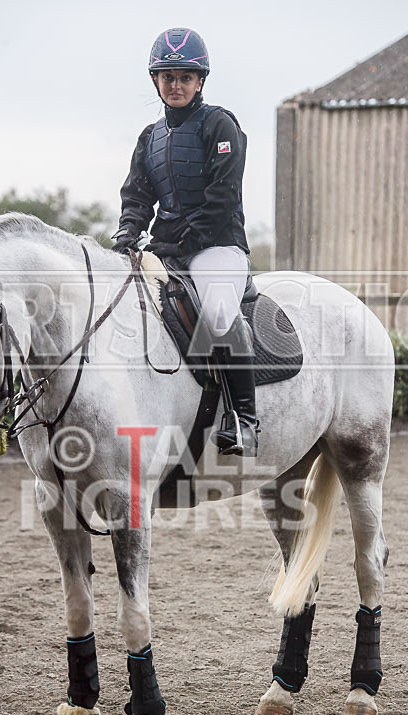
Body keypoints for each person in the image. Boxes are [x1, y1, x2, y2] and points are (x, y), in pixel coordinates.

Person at [113, 27, 259, 457]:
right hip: (167, 248)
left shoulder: (220, 124)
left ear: (200, 81)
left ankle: (245, 420)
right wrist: (127, 233)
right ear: (155, 81)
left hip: (217, 246)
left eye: (185, 77)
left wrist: (181, 242)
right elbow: (137, 195)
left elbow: (221, 198)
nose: (176, 85)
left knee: (217, 312)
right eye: (167, 76)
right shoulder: (149, 137)